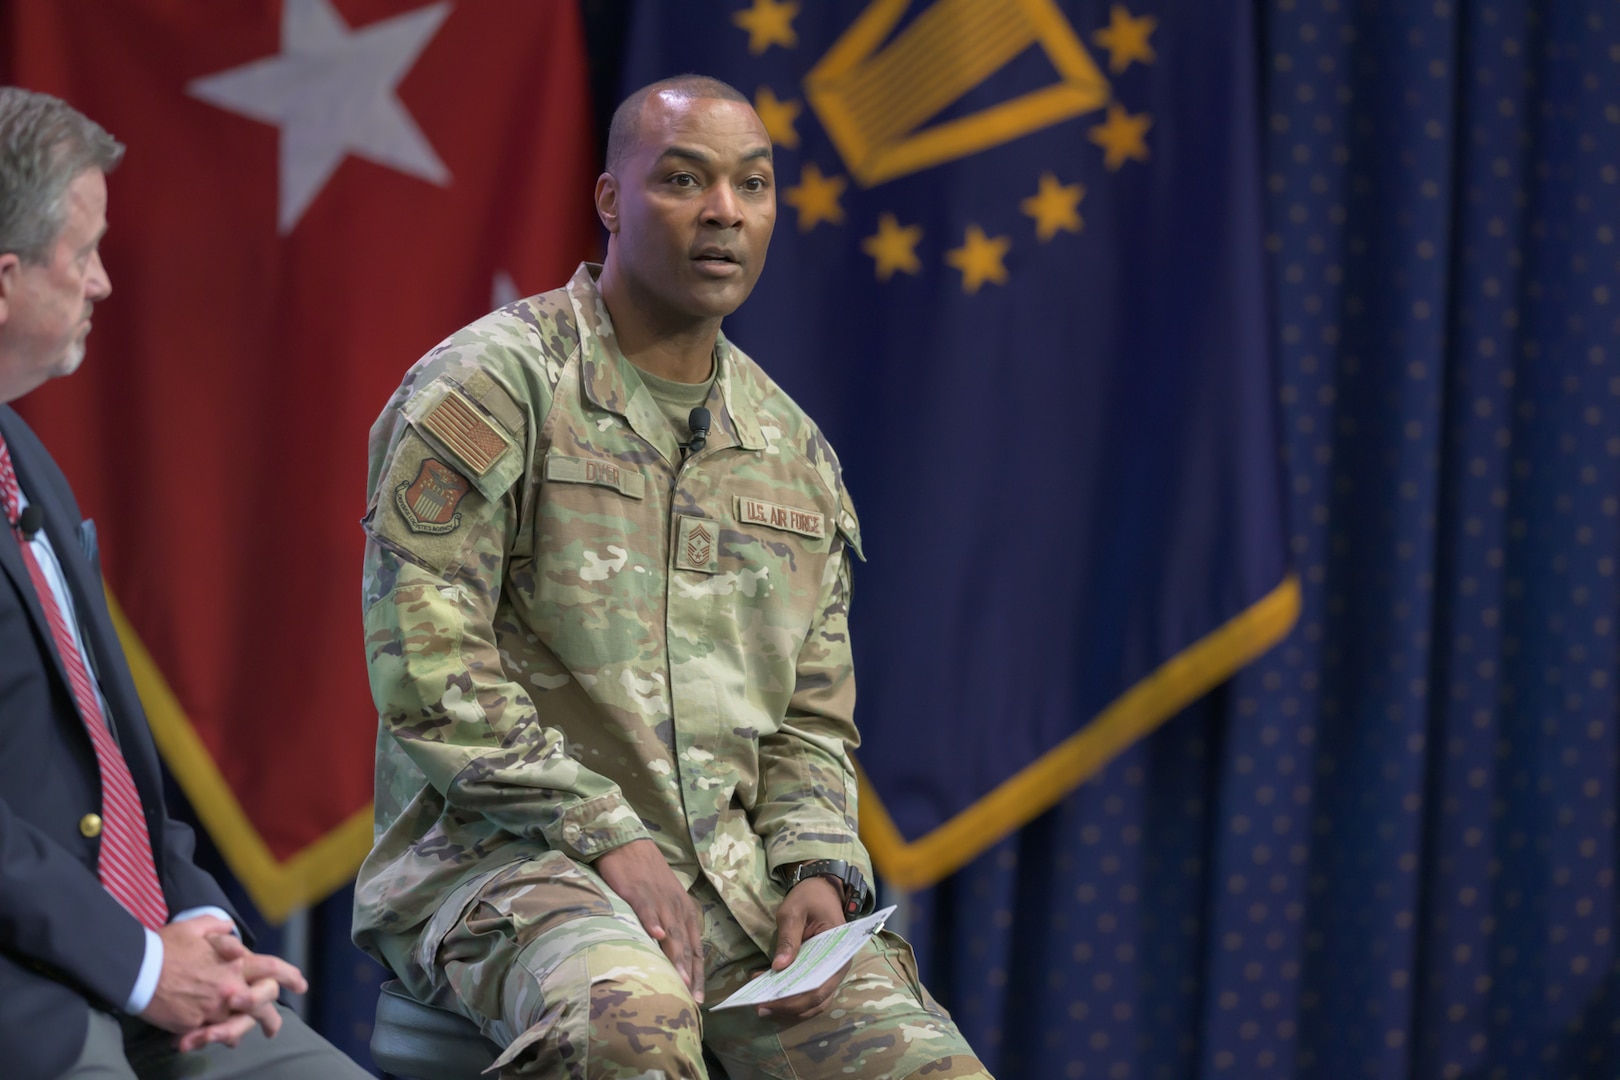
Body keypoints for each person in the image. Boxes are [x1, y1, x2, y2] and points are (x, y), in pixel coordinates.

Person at [354, 75, 993, 1079]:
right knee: (633, 1027)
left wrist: (817, 865)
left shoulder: (792, 451)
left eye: (753, 185)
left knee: (927, 1066)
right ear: (610, 200)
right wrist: (607, 835)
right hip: (507, 865)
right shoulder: (491, 386)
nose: (724, 212)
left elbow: (809, 723)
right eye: (684, 180)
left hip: (732, 893)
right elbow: (426, 668)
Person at [0, 87, 370, 1080]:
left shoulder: (21, 450)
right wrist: (139, 967)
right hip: (33, 994)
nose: (104, 284)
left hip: (127, 959)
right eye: (83, 255)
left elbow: (100, 764)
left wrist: (192, 914)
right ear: (2, 281)